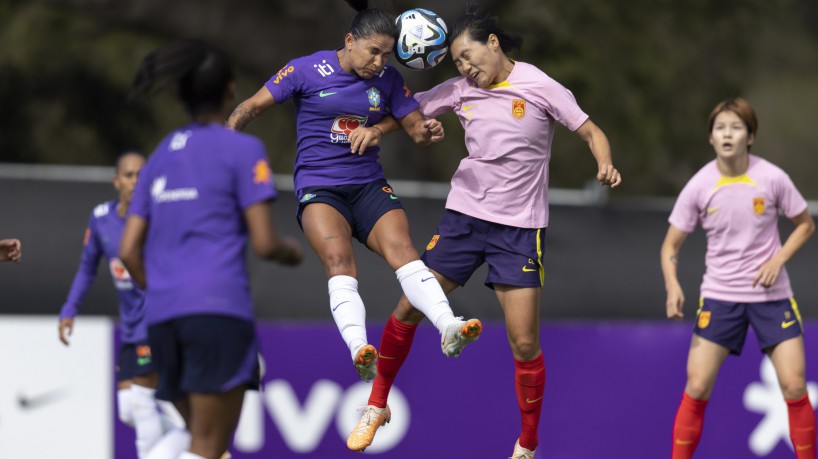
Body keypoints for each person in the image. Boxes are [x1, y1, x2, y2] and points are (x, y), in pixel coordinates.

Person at [346, 4, 622, 456]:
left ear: (493, 43)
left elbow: (591, 132)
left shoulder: (540, 86)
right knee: (409, 307)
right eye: (457, 62)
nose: (466, 68)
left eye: (470, 56)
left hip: (519, 230)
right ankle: (377, 404)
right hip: (465, 219)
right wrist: (377, 131)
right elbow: (411, 112)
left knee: (525, 341)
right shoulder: (460, 89)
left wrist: (605, 162)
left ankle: (527, 444)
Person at [226, 0, 482, 384]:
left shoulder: (389, 81)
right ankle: (360, 349)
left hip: (368, 186)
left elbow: (415, 128)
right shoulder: (305, 69)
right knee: (339, 261)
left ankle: (448, 327)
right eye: (373, 51)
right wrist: (222, 143)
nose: (379, 62)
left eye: (386, 54)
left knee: (405, 253)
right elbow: (251, 106)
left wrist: (428, 131)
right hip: (319, 187)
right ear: (349, 40)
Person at [120, 39, 303, 459]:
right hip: (217, 313)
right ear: (230, 91)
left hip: (163, 318)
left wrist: (165, 292)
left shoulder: (160, 155)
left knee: (203, 445)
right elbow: (264, 242)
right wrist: (289, 250)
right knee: (207, 447)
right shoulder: (242, 149)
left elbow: (130, 251)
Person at [662, 98, 816, 459]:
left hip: (772, 297)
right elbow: (670, 246)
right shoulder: (699, 185)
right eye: (720, 128)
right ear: (711, 138)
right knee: (697, 386)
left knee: (794, 386)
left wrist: (778, 260)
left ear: (750, 136)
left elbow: (805, 225)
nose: (727, 134)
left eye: (736, 127)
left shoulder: (773, 178)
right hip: (719, 297)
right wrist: (672, 284)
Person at [58, 152, 170, 459]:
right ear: (116, 181)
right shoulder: (101, 218)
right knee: (127, 411)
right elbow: (87, 267)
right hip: (131, 327)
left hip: (156, 323)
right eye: (130, 175)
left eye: (141, 175)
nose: (136, 181)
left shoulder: (159, 215)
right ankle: (194, 440)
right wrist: (69, 309)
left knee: (143, 406)